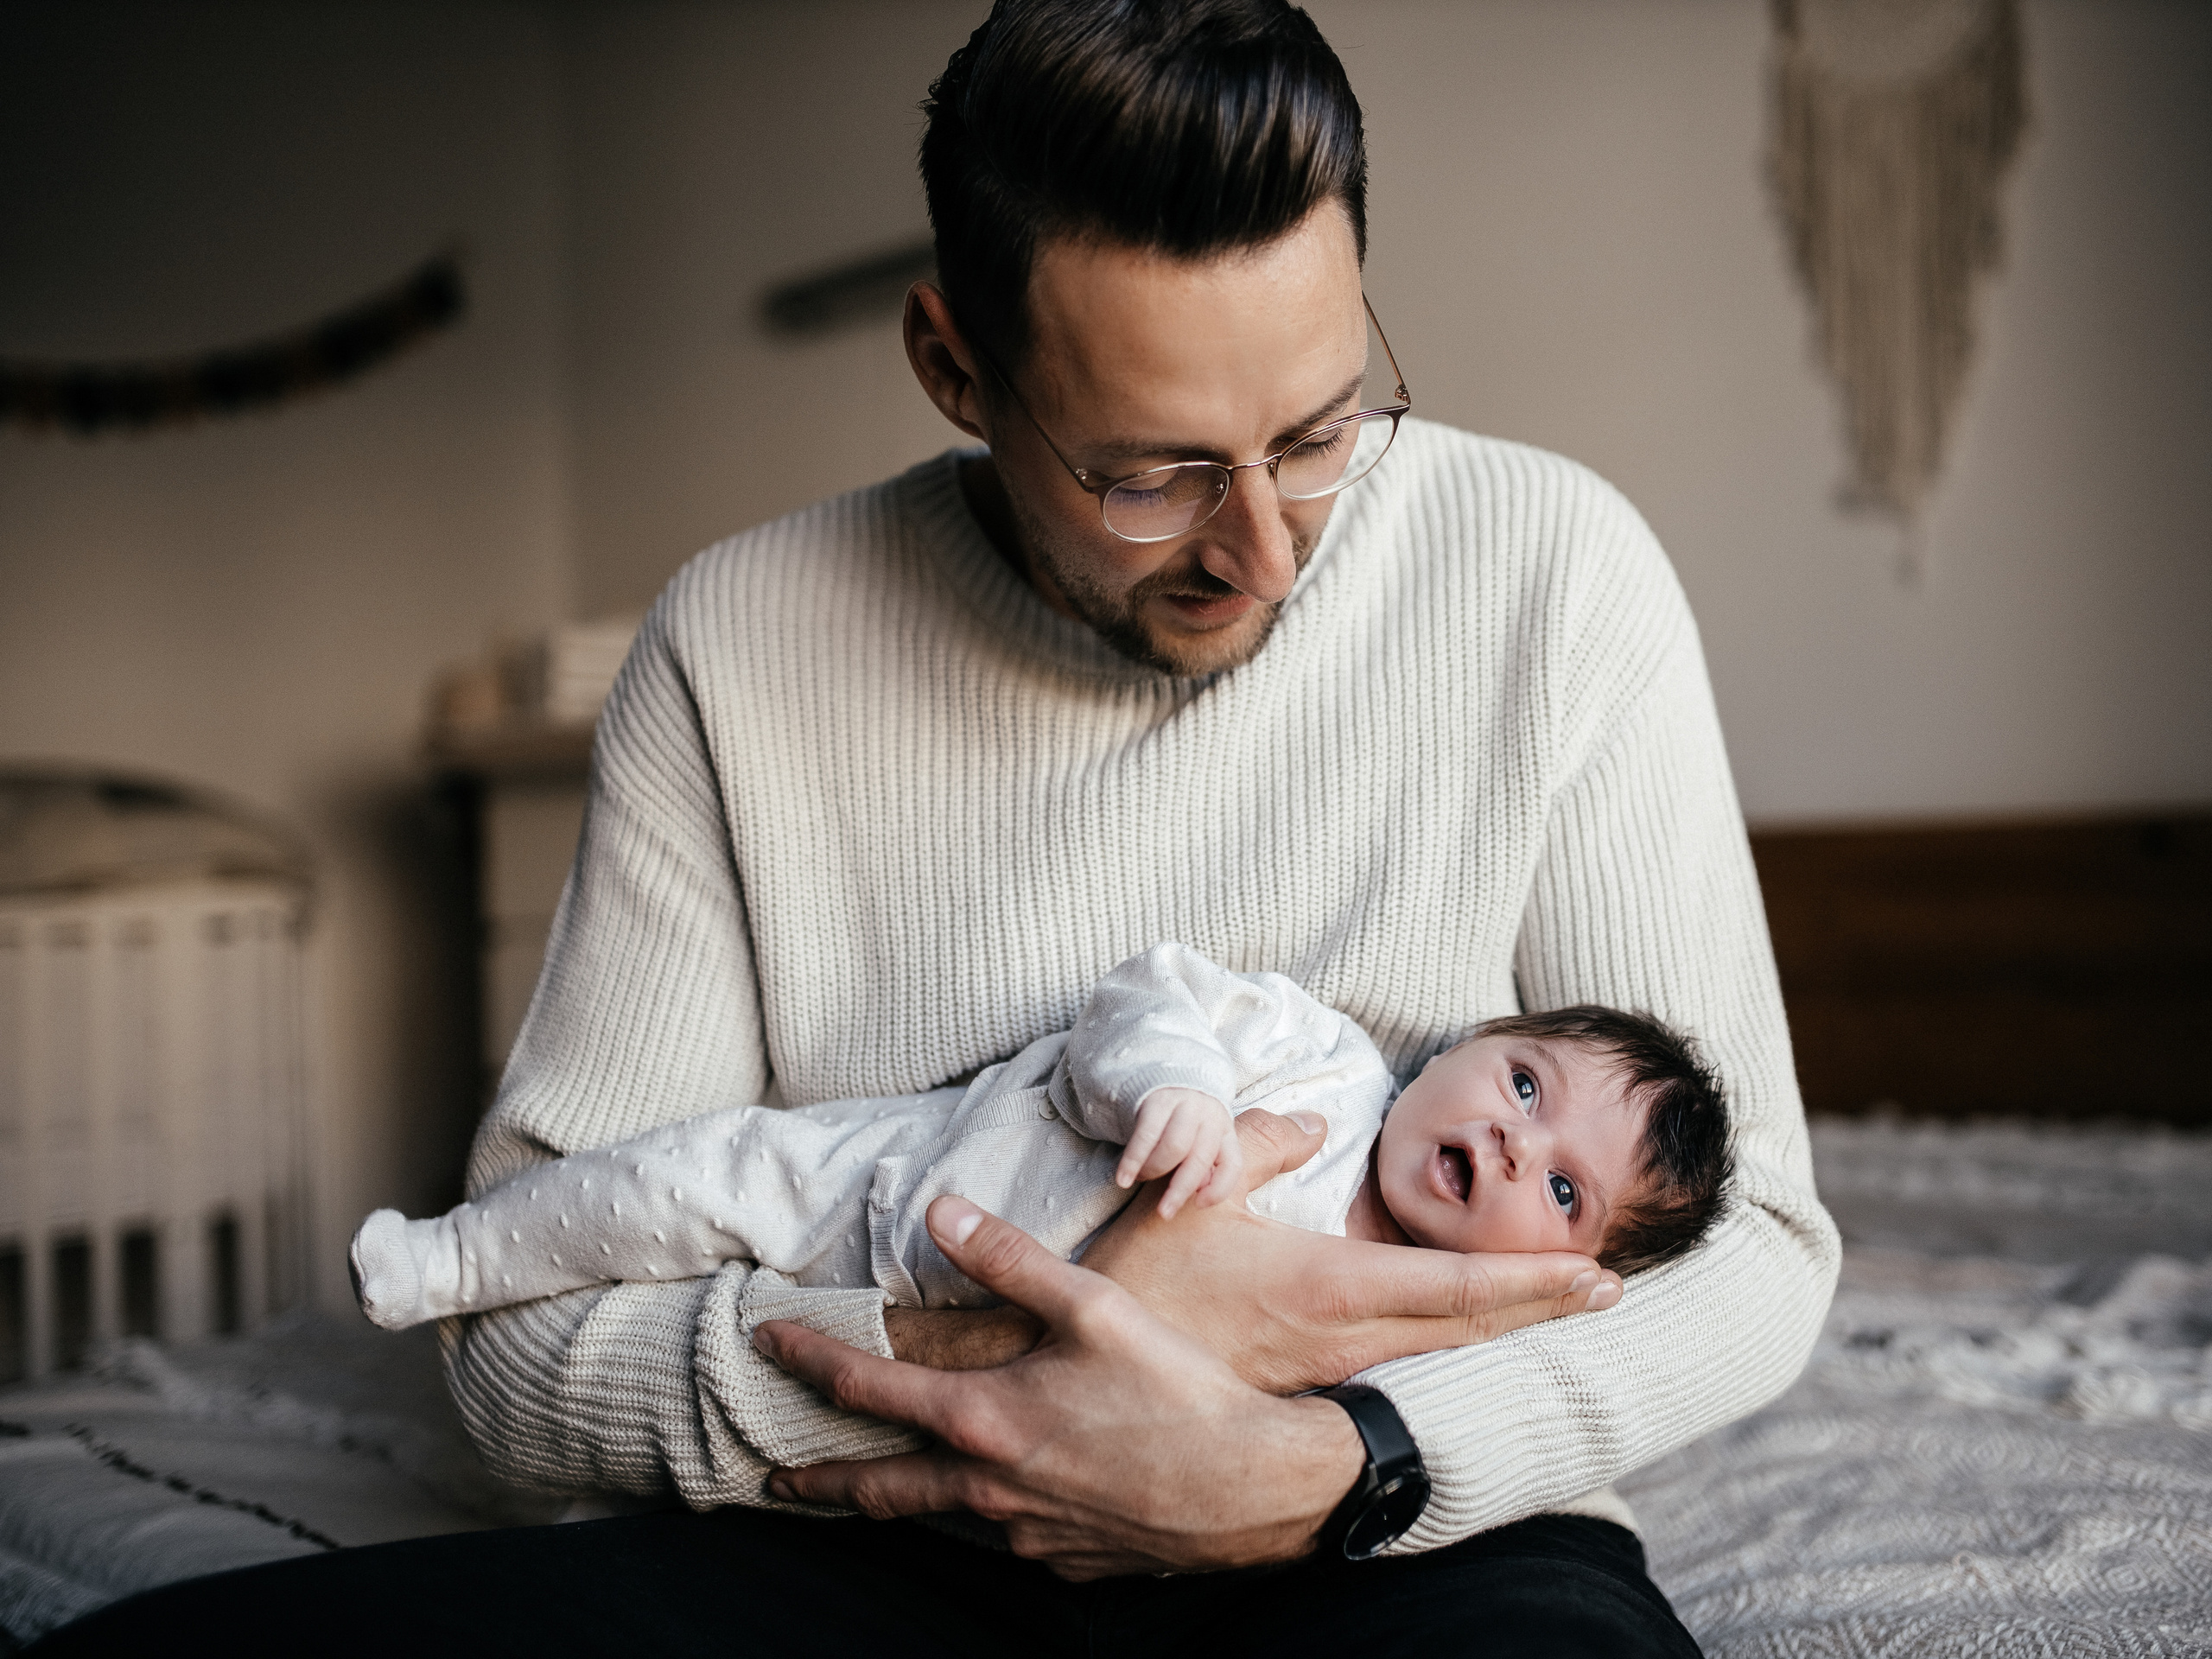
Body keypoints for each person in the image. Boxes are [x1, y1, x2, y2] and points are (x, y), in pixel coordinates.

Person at [29, 3, 1838, 1654]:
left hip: (1400, 1528)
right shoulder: (736, 648)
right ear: (954, 367)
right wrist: (1012, 1378)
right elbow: (514, 1356)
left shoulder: (1550, 574)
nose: (1265, 552)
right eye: (1147, 473)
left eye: (1315, 431)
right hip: (863, 1525)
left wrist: (1324, 1459)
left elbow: (1752, 1244)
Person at [347, 943, 1733, 1334]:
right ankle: (458, 1262)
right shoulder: (1325, 1065)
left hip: (923, 1332)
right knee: (683, 1182)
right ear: (1475, 1045)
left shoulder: (1438, 1316)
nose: (1507, 1142)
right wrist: (1174, 1091)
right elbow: (1151, 992)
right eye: (1528, 1086)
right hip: (900, 1176)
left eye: (1560, 1188)